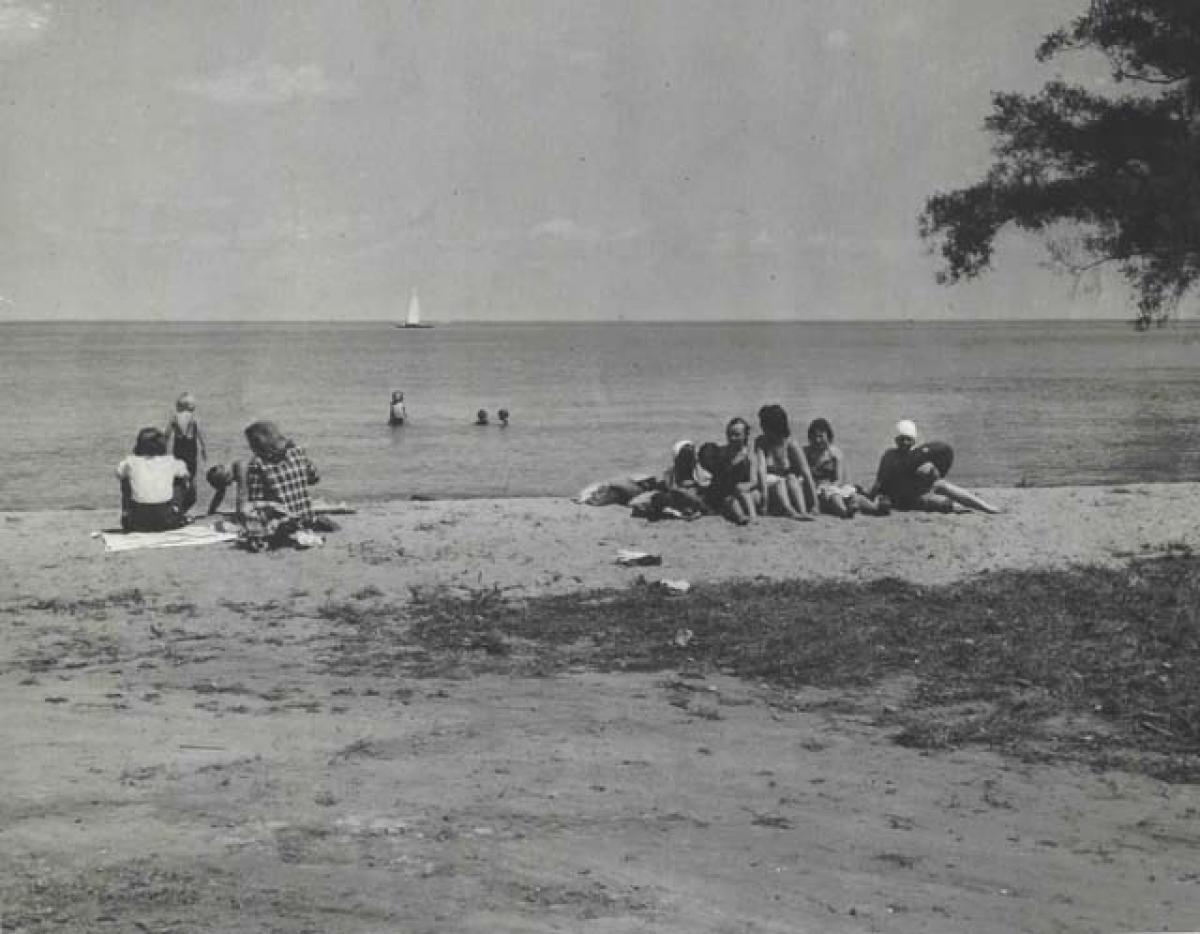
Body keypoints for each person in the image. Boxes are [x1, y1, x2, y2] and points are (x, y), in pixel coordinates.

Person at [869, 420, 1002, 514]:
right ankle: (963, 507)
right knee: (944, 504)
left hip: (920, 490)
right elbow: (879, 482)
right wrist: (871, 497)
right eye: (901, 439)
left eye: (907, 439)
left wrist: (931, 471)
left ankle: (985, 507)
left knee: (942, 485)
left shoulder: (918, 457)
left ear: (913, 440)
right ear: (896, 440)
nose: (904, 442)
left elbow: (935, 476)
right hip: (904, 499)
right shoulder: (890, 456)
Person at [243, 420, 338, 535]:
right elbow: (314, 478)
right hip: (306, 517)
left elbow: (255, 501)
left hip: (280, 522)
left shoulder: (257, 464)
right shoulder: (297, 451)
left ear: (256, 444)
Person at [802, 418, 887, 518]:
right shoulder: (805, 453)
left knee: (854, 496)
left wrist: (830, 487)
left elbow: (839, 479)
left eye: (821, 436)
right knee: (834, 497)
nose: (817, 440)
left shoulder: (835, 454)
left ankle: (876, 509)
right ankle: (845, 512)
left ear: (828, 436)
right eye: (814, 436)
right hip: (815, 489)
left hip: (834, 486)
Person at [115, 427, 191, 532]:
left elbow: (119, 474)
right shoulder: (171, 461)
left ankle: (126, 513)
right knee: (179, 480)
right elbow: (186, 475)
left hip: (137, 522)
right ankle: (177, 511)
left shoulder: (130, 462)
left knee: (125, 480)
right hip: (168, 520)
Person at [754, 404, 817, 520]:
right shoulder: (761, 443)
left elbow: (806, 473)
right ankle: (791, 512)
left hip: (791, 486)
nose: (762, 427)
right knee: (779, 483)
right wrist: (764, 498)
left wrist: (815, 504)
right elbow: (761, 471)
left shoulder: (791, 444)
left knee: (792, 478)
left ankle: (802, 511)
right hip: (770, 486)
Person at [698, 441, 752, 525]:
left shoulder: (719, 469)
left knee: (731, 501)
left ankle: (741, 516)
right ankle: (742, 516)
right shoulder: (717, 469)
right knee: (731, 501)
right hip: (720, 497)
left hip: (724, 497)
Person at [164, 391, 207, 482]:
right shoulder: (193, 418)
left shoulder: (175, 417)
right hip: (190, 445)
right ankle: (190, 485)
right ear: (190, 406)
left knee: (179, 467)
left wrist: (164, 446)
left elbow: (167, 434)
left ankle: (181, 485)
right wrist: (203, 448)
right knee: (191, 468)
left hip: (179, 444)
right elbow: (200, 434)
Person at [660, 440, 710, 517]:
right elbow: (669, 486)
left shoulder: (700, 470)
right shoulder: (671, 472)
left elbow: (705, 484)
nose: (687, 461)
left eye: (689, 457)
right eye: (684, 458)